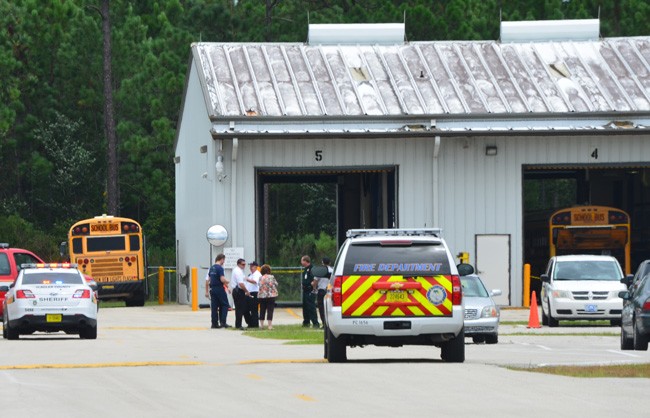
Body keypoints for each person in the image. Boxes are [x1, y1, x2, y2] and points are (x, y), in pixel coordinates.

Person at [204, 254, 230, 328]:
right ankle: (223, 322)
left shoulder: (211, 268)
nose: (224, 262)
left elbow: (207, 281)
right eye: (224, 260)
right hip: (219, 288)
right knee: (225, 305)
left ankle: (214, 323)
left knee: (214, 307)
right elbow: (222, 279)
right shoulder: (220, 268)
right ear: (221, 259)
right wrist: (227, 282)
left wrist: (206, 291)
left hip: (212, 289)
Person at [231, 258, 252, 330]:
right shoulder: (238, 271)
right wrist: (246, 291)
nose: (244, 266)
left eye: (245, 264)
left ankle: (241, 323)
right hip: (239, 291)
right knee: (240, 309)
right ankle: (238, 325)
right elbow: (241, 284)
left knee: (241, 308)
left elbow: (244, 279)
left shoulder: (238, 270)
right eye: (243, 264)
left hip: (238, 291)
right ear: (239, 264)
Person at [300, 255, 320, 328]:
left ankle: (315, 323)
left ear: (305, 261)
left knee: (311, 307)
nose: (301, 262)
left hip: (310, 290)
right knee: (305, 307)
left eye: (302, 260)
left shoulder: (312, 269)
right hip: (305, 290)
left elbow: (315, 279)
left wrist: (313, 286)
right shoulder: (305, 269)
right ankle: (306, 322)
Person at [258, 264, 278, 330]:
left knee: (262, 310)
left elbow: (259, 284)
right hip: (271, 295)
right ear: (269, 270)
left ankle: (261, 325)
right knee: (270, 310)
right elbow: (276, 284)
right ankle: (269, 326)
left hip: (262, 295)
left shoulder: (261, 277)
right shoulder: (271, 277)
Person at [313, 256, 332, 327]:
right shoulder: (332, 270)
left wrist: (314, 288)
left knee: (321, 308)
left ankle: (324, 324)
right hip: (330, 291)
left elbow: (315, 282)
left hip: (321, 291)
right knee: (329, 308)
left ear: (322, 262)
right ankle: (329, 323)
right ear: (329, 262)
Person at [245, 261, 261, 328]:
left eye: (252, 266)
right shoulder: (251, 274)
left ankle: (254, 324)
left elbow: (255, 281)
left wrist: (247, 279)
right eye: (250, 266)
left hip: (255, 293)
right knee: (246, 309)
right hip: (249, 293)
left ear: (256, 267)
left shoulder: (257, 274)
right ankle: (250, 322)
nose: (251, 267)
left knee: (253, 310)